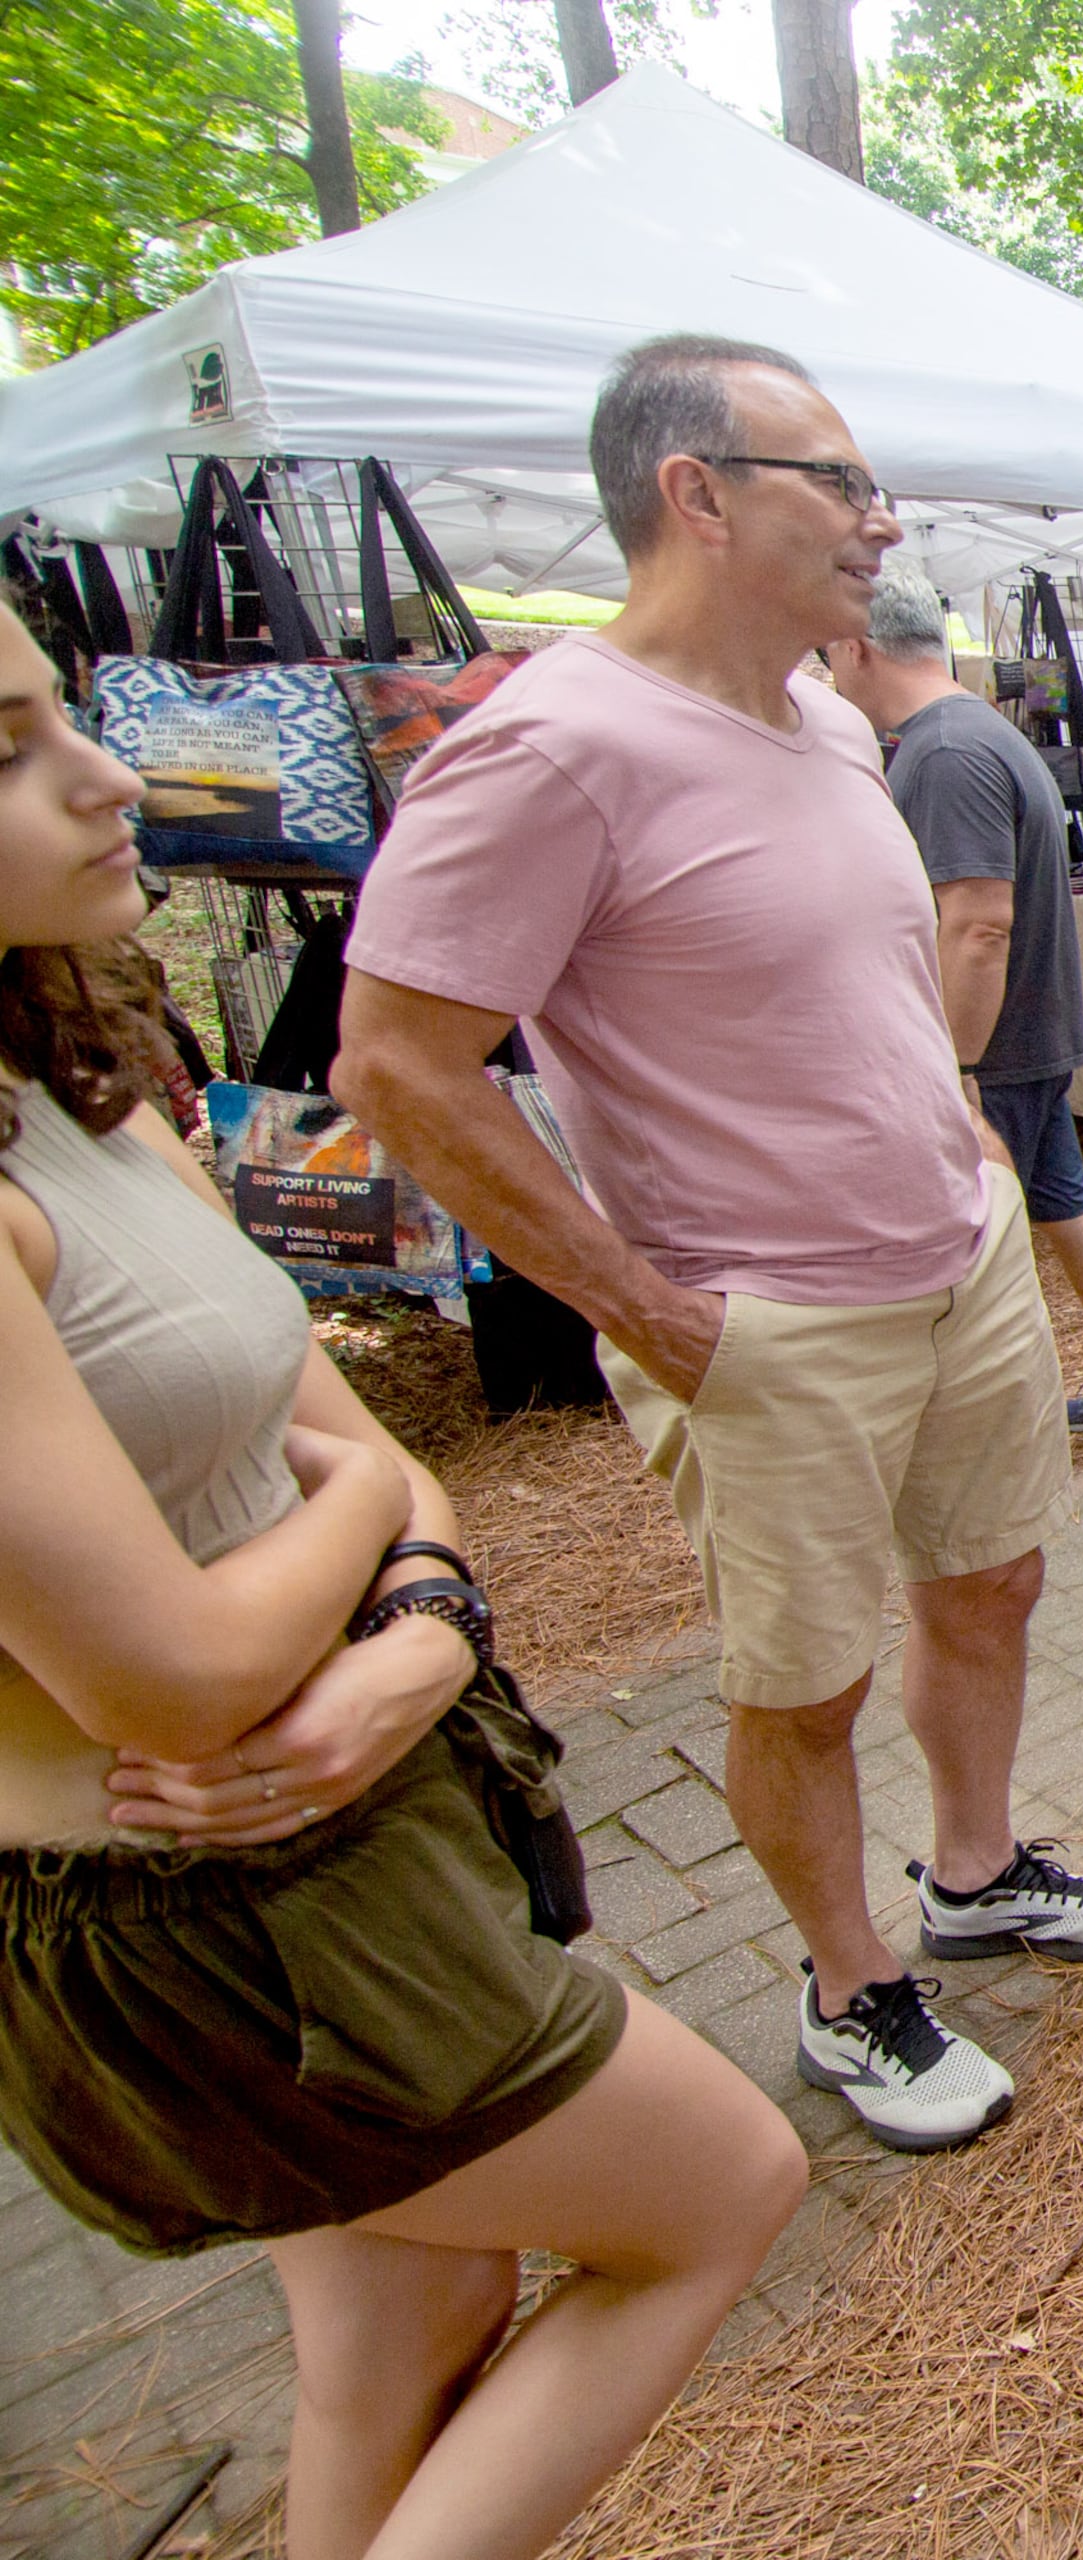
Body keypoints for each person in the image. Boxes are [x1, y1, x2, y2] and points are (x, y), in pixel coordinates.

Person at [0, 595, 805, 2560]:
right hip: (216, 1908)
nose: (113, 771)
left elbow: (374, 1456)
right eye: (8, 747)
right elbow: (178, 1672)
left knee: (406, 2322)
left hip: (348, 1827)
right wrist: (373, 1514)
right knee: (721, 2186)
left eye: (59, 715)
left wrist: (413, 1632)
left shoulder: (91, 1088)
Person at [338, 335, 1083, 2158]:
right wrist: (644, 1309)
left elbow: (868, 980)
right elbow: (398, 1067)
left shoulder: (822, 719)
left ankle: (975, 1872)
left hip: (952, 1265)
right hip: (766, 1319)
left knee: (992, 1580)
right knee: (804, 1675)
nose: (881, 526)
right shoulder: (550, 748)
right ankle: (845, 1986)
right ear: (694, 493)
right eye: (840, 482)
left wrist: (959, 1146)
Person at [828, 566, 1083, 1432]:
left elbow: (979, 923)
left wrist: (952, 1064)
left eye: (828, 653)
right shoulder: (964, 732)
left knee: (983, 1238)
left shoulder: (945, 750)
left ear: (856, 646)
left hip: (988, 1045)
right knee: (1063, 1201)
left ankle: (996, 1424)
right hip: (1012, 1037)